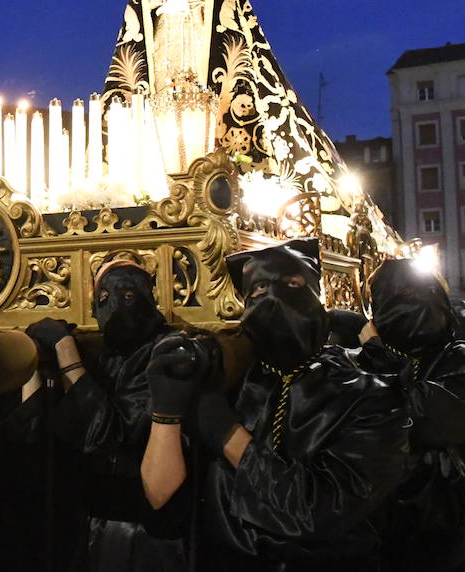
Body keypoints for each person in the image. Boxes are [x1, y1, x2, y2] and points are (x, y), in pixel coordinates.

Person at [140, 239, 410, 569]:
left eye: (292, 285)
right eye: (259, 289)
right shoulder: (227, 386)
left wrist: (229, 436)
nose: (273, 300)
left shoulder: (368, 398)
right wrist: (166, 413)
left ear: (318, 298)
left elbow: (319, 509)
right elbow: (164, 505)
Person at [15, 256, 195, 571]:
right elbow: (45, 444)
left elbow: (112, 435)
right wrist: (35, 363)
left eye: (131, 294)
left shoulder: (168, 351)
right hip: (87, 527)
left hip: (147, 533)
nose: (118, 305)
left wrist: (66, 351)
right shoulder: (101, 357)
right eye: (105, 298)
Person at [354, 259, 465, 572]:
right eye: (402, 294)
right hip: (381, 533)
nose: (417, 303)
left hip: (444, 533)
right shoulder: (369, 361)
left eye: (425, 291)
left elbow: (426, 417)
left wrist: (377, 356)